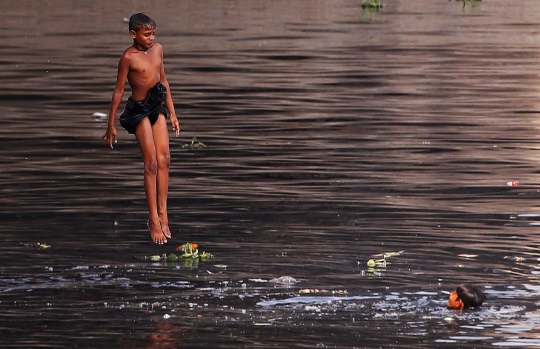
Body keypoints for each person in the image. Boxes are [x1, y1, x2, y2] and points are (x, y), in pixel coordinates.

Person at [102, 12, 180, 244]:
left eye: (153, 33)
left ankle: (164, 214)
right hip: (138, 110)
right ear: (133, 34)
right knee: (152, 163)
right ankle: (153, 219)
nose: (151, 38)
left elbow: (163, 81)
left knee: (165, 158)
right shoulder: (128, 57)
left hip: (157, 105)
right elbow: (118, 91)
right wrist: (110, 123)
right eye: (146, 35)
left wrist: (173, 113)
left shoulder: (158, 50)